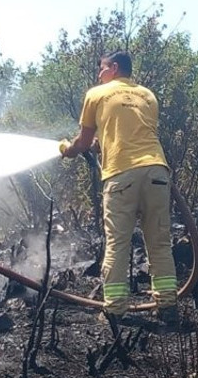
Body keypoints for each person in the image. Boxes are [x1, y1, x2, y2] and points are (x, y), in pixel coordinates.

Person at [60, 51, 179, 325]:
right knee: (160, 243)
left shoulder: (97, 94)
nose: (99, 74)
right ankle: (169, 308)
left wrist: (68, 149)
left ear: (114, 68)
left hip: (121, 175)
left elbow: (83, 141)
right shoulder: (148, 95)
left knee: (118, 243)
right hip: (157, 172)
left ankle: (114, 309)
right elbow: (134, 132)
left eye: (102, 69)